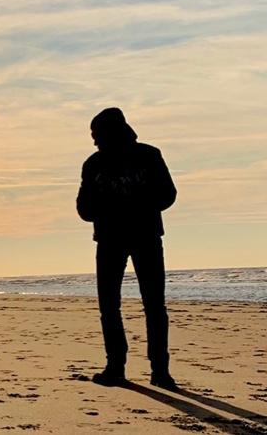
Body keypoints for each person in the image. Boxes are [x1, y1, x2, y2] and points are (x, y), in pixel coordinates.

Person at [76, 108, 178, 390]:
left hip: (144, 237)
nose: (94, 141)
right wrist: (113, 207)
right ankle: (117, 367)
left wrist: (131, 205)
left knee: (151, 305)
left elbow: (168, 194)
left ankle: (159, 371)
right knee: (112, 306)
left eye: (97, 135)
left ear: (112, 131)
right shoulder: (93, 164)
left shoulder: (149, 155)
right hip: (112, 239)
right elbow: (83, 209)